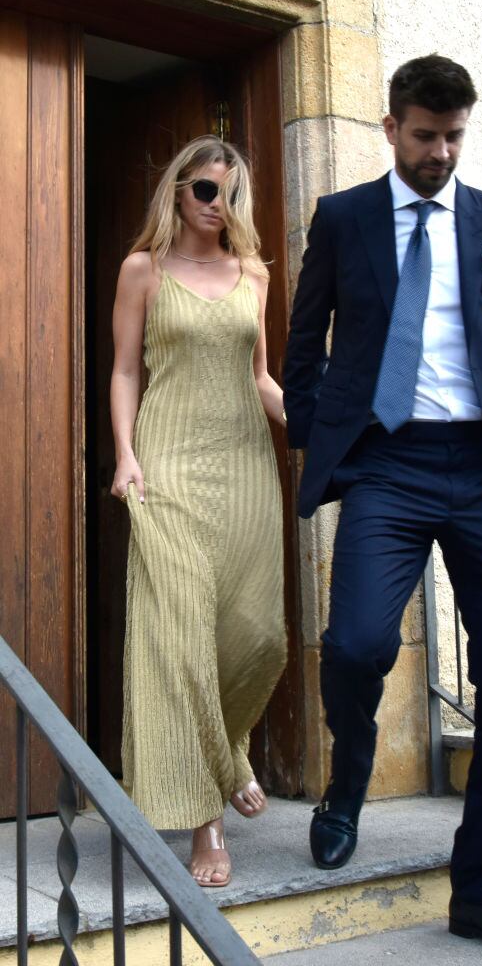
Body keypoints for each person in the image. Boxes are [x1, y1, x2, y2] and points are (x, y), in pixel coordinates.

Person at [283, 55, 482, 963]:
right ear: (390, 127)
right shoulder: (344, 218)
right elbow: (304, 341)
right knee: (355, 645)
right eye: (424, 136)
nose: (439, 152)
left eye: (453, 137)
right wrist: (317, 436)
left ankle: (477, 890)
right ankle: (348, 776)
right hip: (388, 465)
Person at [110, 136, 287, 888]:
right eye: (208, 191)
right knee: (179, 634)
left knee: (258, 635)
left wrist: (312, 427)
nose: (220, 207)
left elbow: (261, 376)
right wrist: (125, 455)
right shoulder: (142, 270)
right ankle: (206, 820)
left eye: (232, 195)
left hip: (246, 465)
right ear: (178, 191)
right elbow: (124, 369)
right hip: (170, 464)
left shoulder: (253, 273)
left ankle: (229, 750)